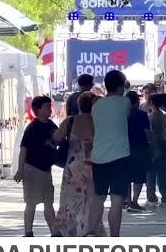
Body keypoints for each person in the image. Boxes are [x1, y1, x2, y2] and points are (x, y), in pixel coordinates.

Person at [52, 92, 106, 236]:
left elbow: (57, 138)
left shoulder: (70, 121)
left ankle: (68, 229)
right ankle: (90, 229)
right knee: (91, 199)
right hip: (94, 164)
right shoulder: (99, 121)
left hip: (73, 167)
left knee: (69, 199)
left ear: (79, 105)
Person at [87, 70, 131, 237]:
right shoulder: (124, 102)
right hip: (120, 156)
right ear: (120, 86)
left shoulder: (96, 105)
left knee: (98, 197)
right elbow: (126, 117)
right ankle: (114, 237)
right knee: (116, 199)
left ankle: (91, 232)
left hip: (98, 156)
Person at [14, 96, 58, 237]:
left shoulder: (51, 126)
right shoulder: (32, 127)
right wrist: (20, 170)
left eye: (50, 106)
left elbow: (58, 138)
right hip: (32, 169)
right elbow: (24, 149)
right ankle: (28, 231)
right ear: (37, 110)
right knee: (31, 203)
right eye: (46, 106)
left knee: (48, 203)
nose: (49, 109)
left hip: (46, 170)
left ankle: (55, 232)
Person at [148, 93, 166, 206]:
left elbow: (150, 132)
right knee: (163, 171)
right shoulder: (165, 114)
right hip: (165, 144)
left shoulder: (150, 116)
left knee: (151, 172)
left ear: (152, 103)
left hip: (154, 146)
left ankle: (152, 196)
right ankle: (164, 196)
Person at [126, 91, 151, 212]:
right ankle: (134, 201)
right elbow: (147, 131)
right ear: (137, 101)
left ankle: (127, 200)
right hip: (141, 146)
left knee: (126, 176)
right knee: (139, 176)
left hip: (125, 147)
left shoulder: (123, 115)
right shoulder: (142, 115)